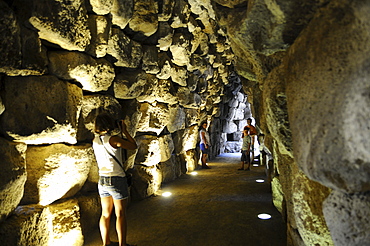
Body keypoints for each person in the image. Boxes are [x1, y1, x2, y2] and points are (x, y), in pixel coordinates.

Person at [92, 113, 137, 246]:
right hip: (116, 178)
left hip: (103, 180)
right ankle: (122, 244)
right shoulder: (113, 139)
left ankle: (106, 242)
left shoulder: (95, 141)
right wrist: (125, 131)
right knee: (120, 213)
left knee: (105, 214)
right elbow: (133, 146)